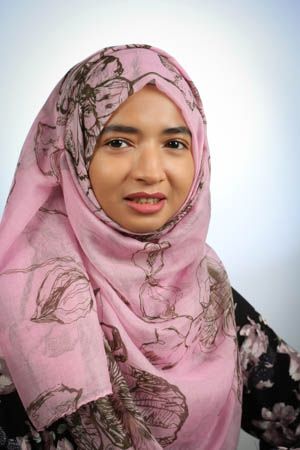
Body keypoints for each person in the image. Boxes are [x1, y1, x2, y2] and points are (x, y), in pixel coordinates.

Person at [0, 44, 299, 450]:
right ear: (70, 153)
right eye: (118, 143)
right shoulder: (19, 305)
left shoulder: (206, 287)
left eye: (174, 144)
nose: (149, 171)